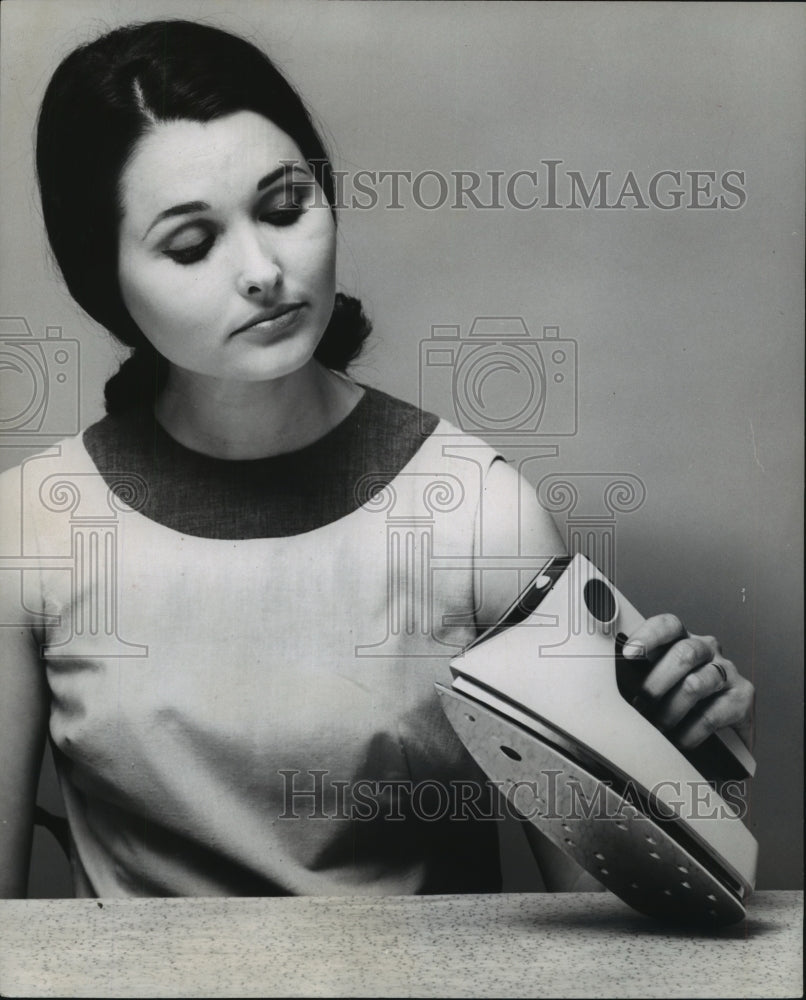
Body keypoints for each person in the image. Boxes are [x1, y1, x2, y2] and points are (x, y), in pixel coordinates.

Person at [0, 19, 754, 899]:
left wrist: (686, 774)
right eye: (191, 244)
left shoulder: (480, 510)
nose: (262, 270)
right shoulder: (30, 527)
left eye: (286, 209)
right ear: (106, 280)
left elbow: (599, 929)